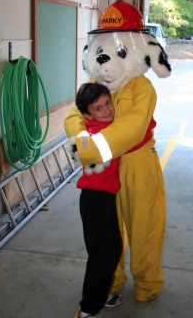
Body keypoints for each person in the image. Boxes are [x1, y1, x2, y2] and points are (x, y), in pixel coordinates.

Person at [65, 0, 171, 307]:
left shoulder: (143, 88)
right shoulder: (97, 84)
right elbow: (75, 114)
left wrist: (90, 148)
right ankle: (111, 282)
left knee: (145, 227)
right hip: (107, 171)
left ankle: (147, 284)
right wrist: (82, 137)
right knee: (109, 231)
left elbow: (134, 128)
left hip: (137, 163)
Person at [72, 82, 122, 318]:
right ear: (87, 114)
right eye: (99, 108)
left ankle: (103, 294)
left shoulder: (112, 125)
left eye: (107, 103)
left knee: (114, 248)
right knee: (101, 256)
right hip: (94, 200)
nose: (107, 110)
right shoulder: (93, 135)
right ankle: (88, 309)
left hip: (106, 198)